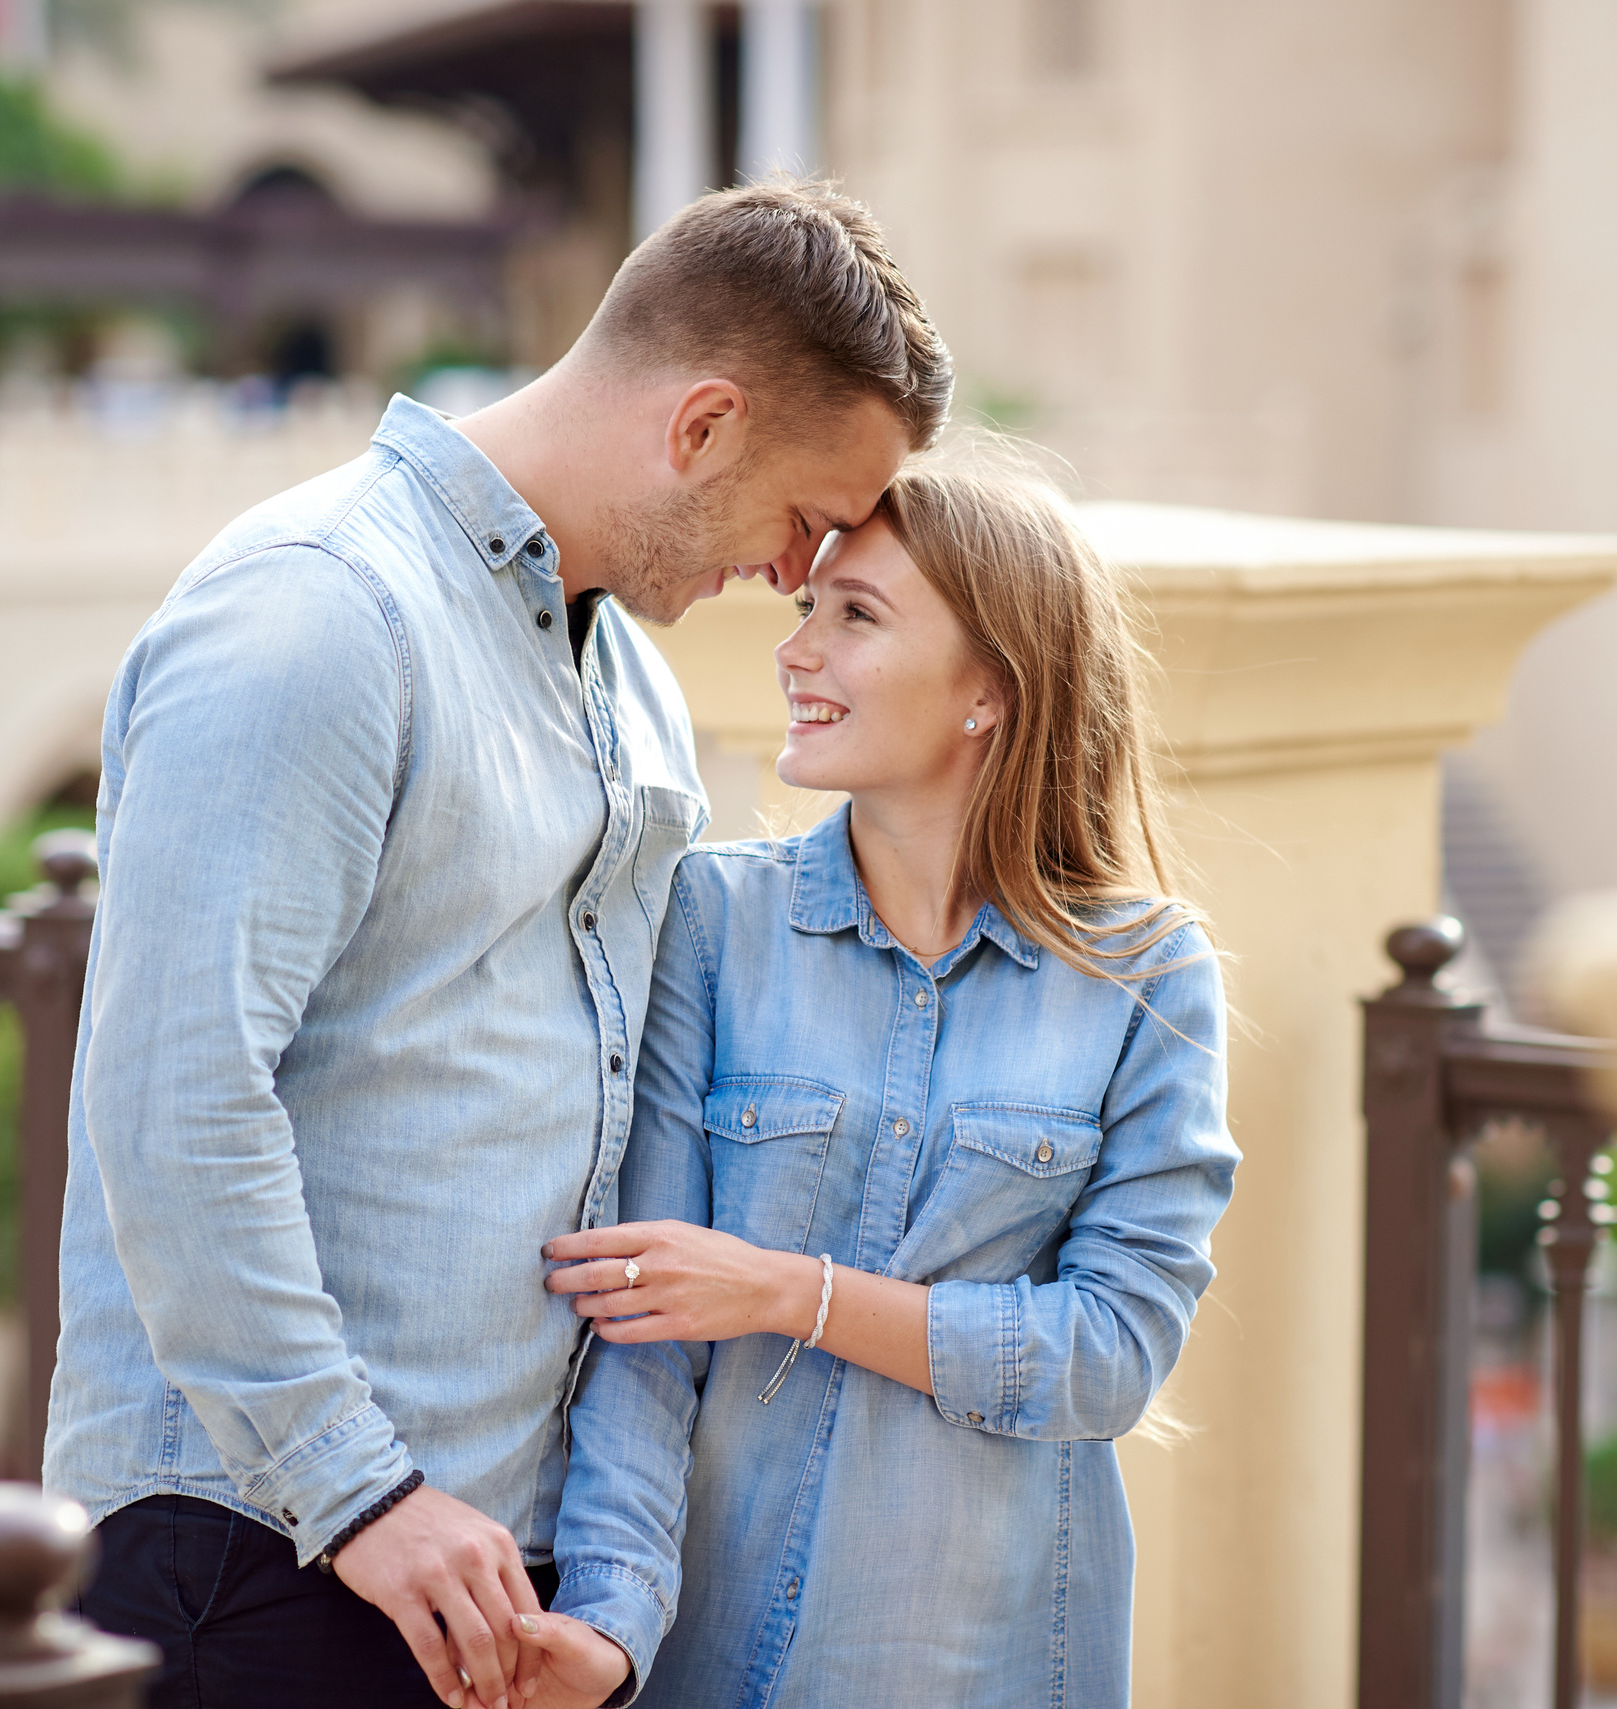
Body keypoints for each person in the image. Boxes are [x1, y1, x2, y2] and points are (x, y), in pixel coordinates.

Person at [43, 179, 950, 1709]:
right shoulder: (320, 613)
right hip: (263, 1549)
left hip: (479, 1571)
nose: (798, 574)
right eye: (806, 520)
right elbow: (174, 1096)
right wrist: (364, 1497)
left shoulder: (632, 688)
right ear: (702, 423)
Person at [510, 466, 1240, 1709]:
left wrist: (788, 1291)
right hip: (708, 1653)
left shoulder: (1147, 976)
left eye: (855, 615)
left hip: (988, 1659)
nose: (797, 651)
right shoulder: (711, 917)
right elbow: (641, 1328)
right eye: (807, 610)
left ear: (986, 691)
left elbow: (1111, 1353)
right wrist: (610, 1620)